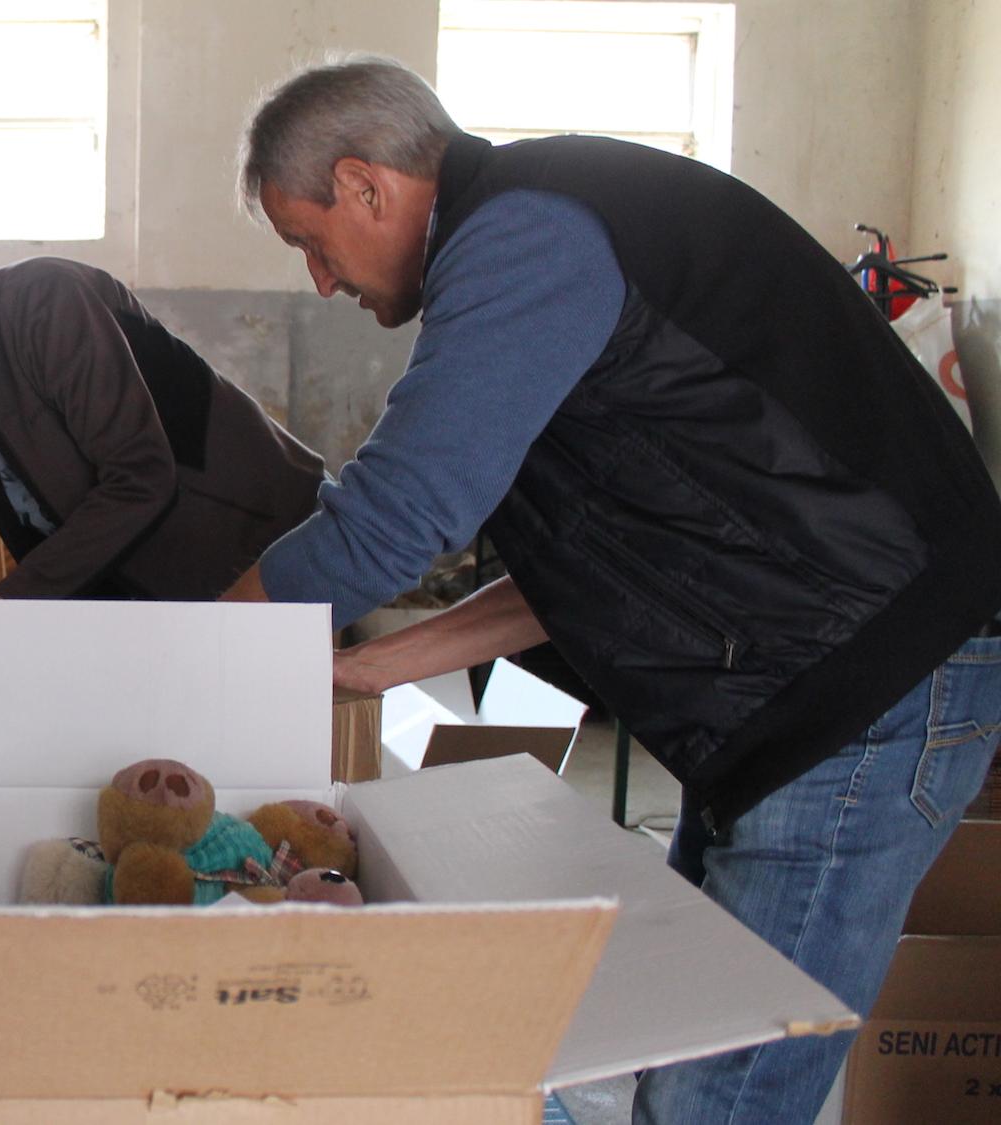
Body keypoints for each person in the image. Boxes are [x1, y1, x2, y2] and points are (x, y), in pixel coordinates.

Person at [228, 54, 1001, 1123]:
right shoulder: (544, 234)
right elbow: (601, 560)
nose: (319, 281)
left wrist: (206, 647)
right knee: (688, 1046)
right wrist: (368, 666)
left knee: (717, 1094)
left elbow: (398, 514)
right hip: (801, 680)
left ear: (365, 184)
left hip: (862, 686)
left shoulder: (522, 236)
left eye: (310, 243)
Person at [0, 223, 327, 636]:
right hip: (146, 588)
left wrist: (10, 603)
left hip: (258, 542)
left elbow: (140, 476)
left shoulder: (44, 304)